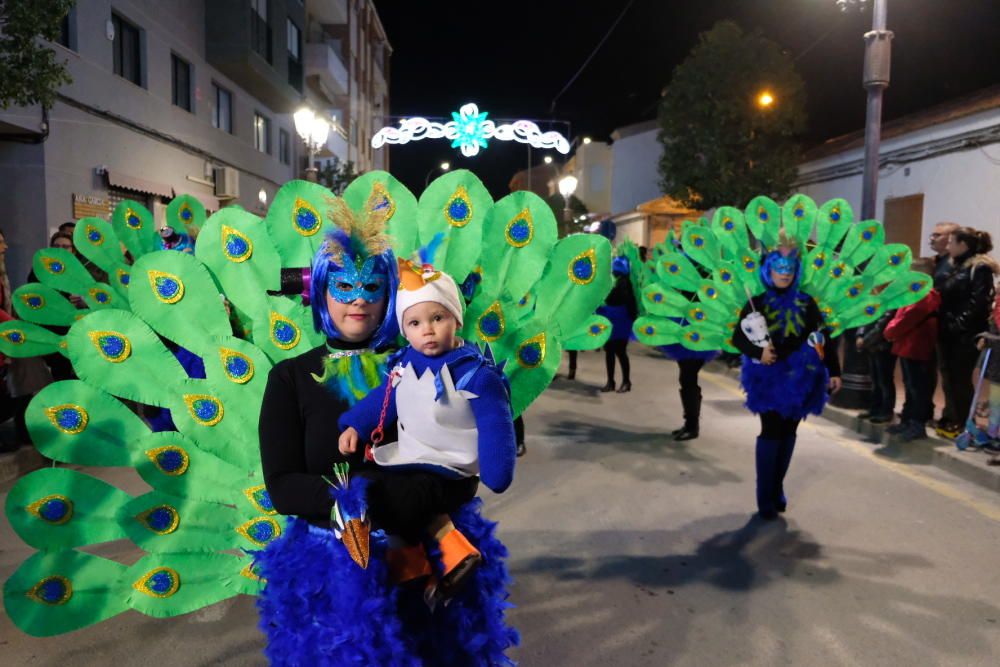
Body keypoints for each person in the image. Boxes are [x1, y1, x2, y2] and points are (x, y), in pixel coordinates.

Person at [255, 203, 516, 664]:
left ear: (390, 298)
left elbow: (463, 448)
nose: (358, 299)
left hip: (430, 560)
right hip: (334, 571)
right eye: (343, 286)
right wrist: (350, 506)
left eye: (372, 287)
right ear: (320, 293)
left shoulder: (421, 361)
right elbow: (281, 484)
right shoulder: (290, 378)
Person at [338, 256, 516, 599]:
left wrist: (497, 471)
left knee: (408, 498)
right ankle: (416, 565)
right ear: (405, 330)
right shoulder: (404, 364)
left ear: (456, 319)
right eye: (416, 323)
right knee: (372, 488)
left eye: (438, 318)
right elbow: (383, 399)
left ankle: (448, 556)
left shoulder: (474, 371)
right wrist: (356, 426)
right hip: (411, 458)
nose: (428, 330)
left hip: (453, 470)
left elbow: (496, 422)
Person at [732, 233, 842, 519]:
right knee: (771, 431)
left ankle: (777, 487)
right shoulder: (757, 303)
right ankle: (764, 497)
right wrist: (759, 354)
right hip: (768, 377)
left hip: (803, 376)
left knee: (790, 432)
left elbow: (822, 337)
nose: (785, 273)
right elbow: (738, 337)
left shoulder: (807, 303)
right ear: (767, 270)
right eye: (778, 268)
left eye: (790, 268)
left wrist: (835, 370)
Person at [935, 227, 998, 438]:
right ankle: (952, 417)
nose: (947, 246)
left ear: (963, 245)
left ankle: (963, 421)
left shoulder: (979, 268)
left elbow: (978, 303)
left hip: (964, 334)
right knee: (948, 377)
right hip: (946, 331)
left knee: (960, 379)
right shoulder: (952, 265)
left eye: (951, 242)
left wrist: (958, 325)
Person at [883, 259, 940, 441]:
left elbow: (910, 316)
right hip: (907, 344)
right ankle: (907, 419)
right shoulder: (915, 292)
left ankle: (917, 424)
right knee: (910, 384)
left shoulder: (925, 294)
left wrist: (890, 330)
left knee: (918, 387)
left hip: (917, 345)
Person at [597, 256, 637, 393]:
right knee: (611, 351)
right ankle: (612, 381)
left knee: (618, 351)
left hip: (620, 322)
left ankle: (624, 381)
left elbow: (626, 302)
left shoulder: (624, 283)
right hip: (613, 320)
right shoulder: (617, 282)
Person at [855, 306, 897, 425]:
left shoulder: (891, 300)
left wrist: (865, 340)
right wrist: (860, 335)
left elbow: (882, 325)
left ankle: (886, 411)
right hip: (871, 346)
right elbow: (864, 317)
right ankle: (874, 409)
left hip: (883, 345)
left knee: (885, 380)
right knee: (875, 379)